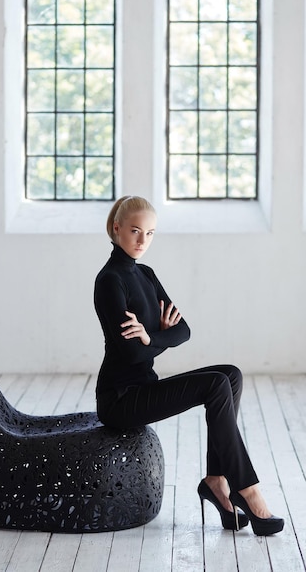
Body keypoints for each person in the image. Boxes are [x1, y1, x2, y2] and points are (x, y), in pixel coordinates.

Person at [94, 195, 284, 536]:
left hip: (145, 385)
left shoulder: (146, 275)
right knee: (214, 384)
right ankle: (248, 490)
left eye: (150, 233)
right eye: (135, 231)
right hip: (120, 399)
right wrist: (155, 340)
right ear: (117, 227)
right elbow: (130, 354)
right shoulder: (110, 281)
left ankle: (216, 480)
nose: (142, 241)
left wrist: (151, 339)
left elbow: (184, 330)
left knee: (230, 375)